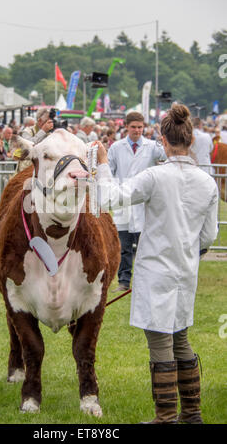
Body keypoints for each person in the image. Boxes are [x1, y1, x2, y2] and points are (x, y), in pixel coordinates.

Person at [95, 104, 218, 424]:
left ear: (163, 140)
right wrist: (189, 250)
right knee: (180, 338)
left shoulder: (155, 176)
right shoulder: (207, 183)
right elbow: (209, 235)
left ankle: (166, 417)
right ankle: (192, 414)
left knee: (161, 341)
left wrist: (104, 165)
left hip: (156, 269)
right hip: (185, 269)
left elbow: (108, 199)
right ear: (190, 141)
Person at [108, 111, 166, 293]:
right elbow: (109, 171)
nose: (137, 131)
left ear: (144, 128)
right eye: (133, 127)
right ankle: (124, 281)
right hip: (124, 202)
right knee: (123, 247)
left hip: (144, 203)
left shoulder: (151, 147)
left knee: (145, 246)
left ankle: (144, 281)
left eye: (140, 127)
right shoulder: (116, 148)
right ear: (126, 127)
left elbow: (167, 156)